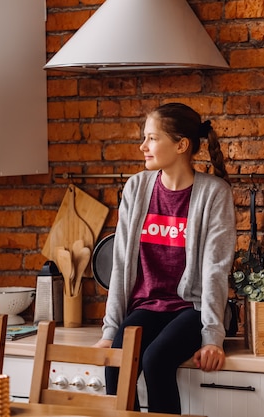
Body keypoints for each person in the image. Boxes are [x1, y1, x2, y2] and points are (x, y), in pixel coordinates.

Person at [93, 102, 236, 414]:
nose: (143, 146)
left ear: (181, 145)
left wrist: (213, 337)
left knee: (156, 360)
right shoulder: (137, 188)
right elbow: (121, 265)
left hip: (192, 309)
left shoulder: (214, 193)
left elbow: (215, 270)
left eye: (152, 138)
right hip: (147, 307)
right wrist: (110, 331)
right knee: (116, 365)